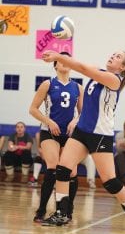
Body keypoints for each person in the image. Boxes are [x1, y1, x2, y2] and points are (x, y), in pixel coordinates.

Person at [41, 50, 125, 230]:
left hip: (100, 135)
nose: (112, 56)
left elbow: (83, 68)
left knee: (110, 181)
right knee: (62, 169)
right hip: (82, 131)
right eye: (113, 54)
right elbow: (80, 65)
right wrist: (61, 58)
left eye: (118, 57)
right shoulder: (100, 71)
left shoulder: (114, 80)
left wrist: (57, 56)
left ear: (122, 67)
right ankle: (62, 213)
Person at [29, 51, 84, 223]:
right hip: (49, 131)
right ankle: (41, 210)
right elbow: (33, 109)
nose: (64, 62)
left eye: (67, 59)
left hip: (69, 135)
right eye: (60, 60)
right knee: (52, 168)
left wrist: (75, 120)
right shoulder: (48, 84)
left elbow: (83, 113)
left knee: (71, 172)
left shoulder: (78, 87)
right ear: (55, 65)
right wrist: (48, 121)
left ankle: (67, 210)